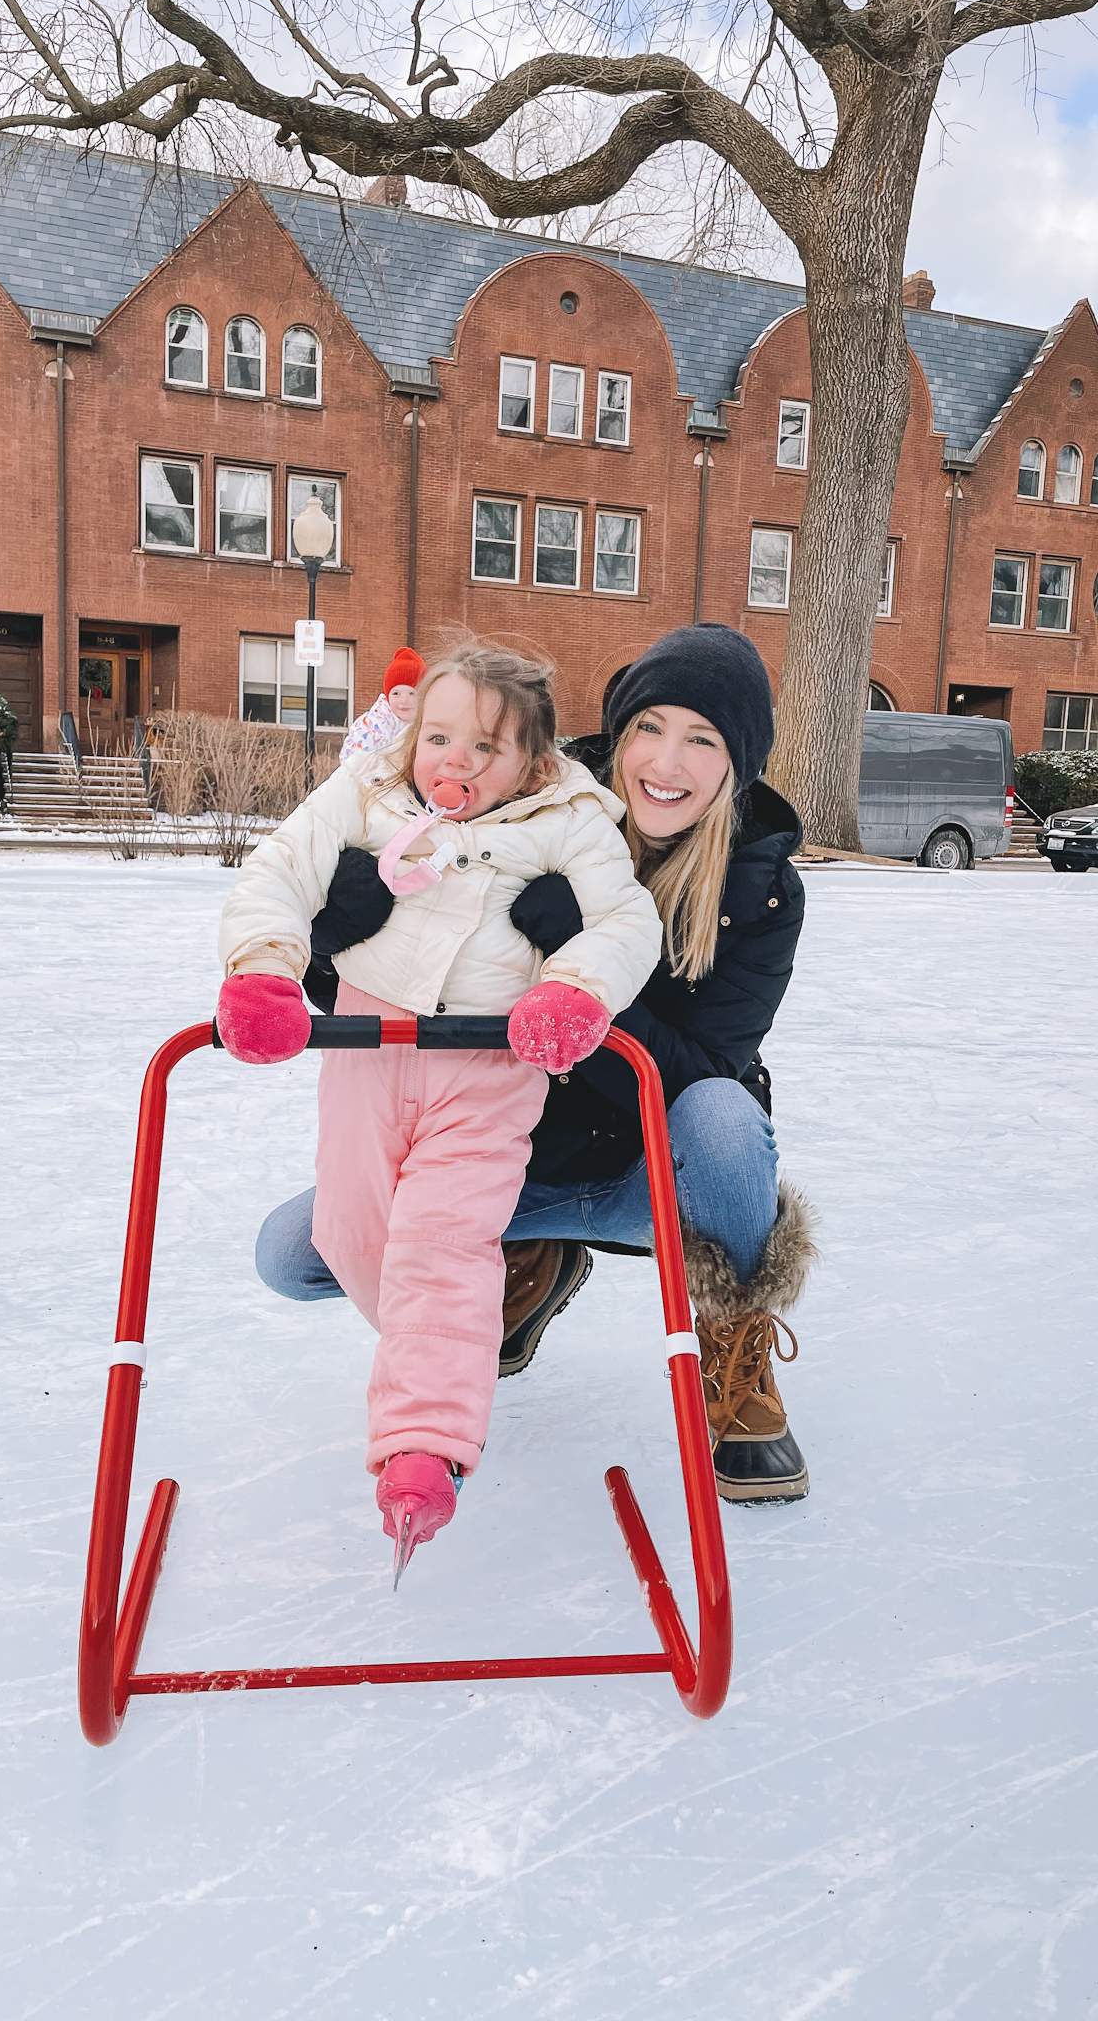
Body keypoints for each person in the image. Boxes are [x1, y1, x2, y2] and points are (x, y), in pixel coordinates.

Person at [258, 624, 816, 1506]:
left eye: (702, 740)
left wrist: (581, 980)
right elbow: (414, 984)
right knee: (296, 1253)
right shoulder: (529, 805)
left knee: (723, 1116)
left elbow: (701, 1066)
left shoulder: (760, 888)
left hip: (651, 1171)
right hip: (508, 1154)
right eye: (649, 727)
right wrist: (334, 937)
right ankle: (534, 1257)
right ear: (616, 731)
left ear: (736, 764)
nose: (666, 761)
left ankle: (733, 1341)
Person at [217, 644, 663, 1568]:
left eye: (486, 748)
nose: (455, 762)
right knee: (351, 1233)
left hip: (488, 1060)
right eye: (442, 738)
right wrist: (265, 965)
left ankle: (426, 1451)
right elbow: (282, 866)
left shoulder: (570, 818)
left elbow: (628, 922)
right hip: (369, 1045)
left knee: (442, 1243)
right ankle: (450, 1349)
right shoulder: (370, 791)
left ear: (533, 764)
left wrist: (572, 991)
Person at [339, 646, 425, 762]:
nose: (404, 700)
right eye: (396, 693)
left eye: (412, 693)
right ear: (387, 697)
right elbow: (356, 765)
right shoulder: (372, 726)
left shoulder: (426, 725)